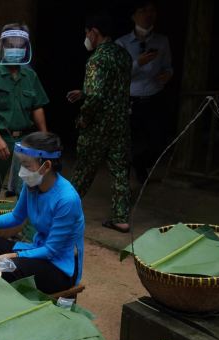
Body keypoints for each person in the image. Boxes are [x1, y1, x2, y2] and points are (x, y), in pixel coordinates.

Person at [0, 132, 84, 294]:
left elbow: (52, 250)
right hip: (35, 249)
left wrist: (13, 255)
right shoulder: (32, 185)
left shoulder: (67, 199)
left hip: (59, 267)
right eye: (21, 165)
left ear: (46, 166)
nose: (22, 171)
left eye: (27, 165)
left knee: (8, 268)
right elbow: (16, 216)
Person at [67, 13, 132, 233]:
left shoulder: (97, 59)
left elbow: (96, 96)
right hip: (120, 123)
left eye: (87, 33)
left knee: (83, 171)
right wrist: (84, 92)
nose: (86, 38)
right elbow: (114, 89)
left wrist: (84, 118)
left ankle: (64, 211)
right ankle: (121, 217)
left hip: (98, 125)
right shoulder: (124, 56)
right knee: (120, 171)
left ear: (93, 32)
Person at [0, 23, 49, 200]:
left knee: (28, 188)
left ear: (26, 47)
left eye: (20, 45)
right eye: (11, 44)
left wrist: (44, 136)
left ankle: (27, 228)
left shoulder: (30, 77)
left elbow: (37, 106)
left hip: (25, 140)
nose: (15, 48)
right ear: (3, 47)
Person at [116, 0, 173, 184]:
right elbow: (118, 74)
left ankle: (140, 164)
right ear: (134, 15)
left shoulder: (162, 41)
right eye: (143, 10)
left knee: (158, 141)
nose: (148, 14)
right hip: (130, 99)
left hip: (155, 96)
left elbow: (168, 67)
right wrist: (137, 63)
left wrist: (167, 75)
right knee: (127, 142)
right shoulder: (122, 43)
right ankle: (123, 183)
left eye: (152, 10)